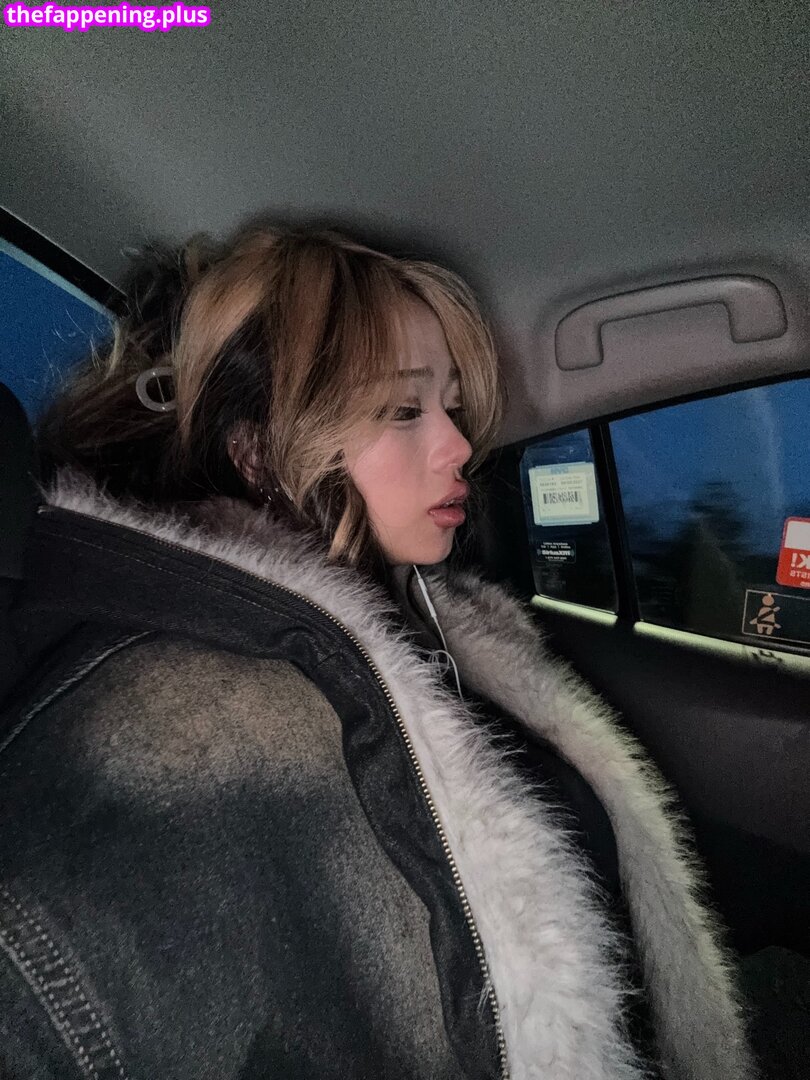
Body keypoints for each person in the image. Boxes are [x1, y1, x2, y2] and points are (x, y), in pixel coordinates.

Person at [0, 225, 755, 1080]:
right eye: (403, 410)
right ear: (257, 451)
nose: (460, 446)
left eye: (450, 407)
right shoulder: (184, 715)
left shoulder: (429, 621)